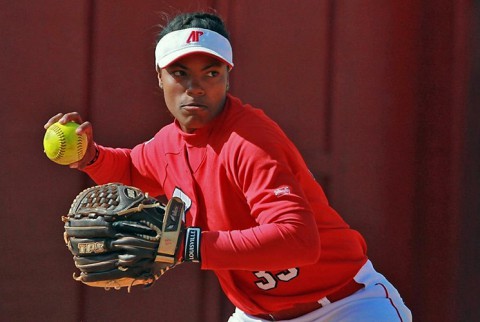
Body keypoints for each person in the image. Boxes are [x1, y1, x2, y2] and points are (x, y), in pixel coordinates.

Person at [45, 11, 412, 322]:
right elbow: (129, 168)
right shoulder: (168, 145)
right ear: (159, 77)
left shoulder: (250, 141)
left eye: (211, 73)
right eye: (180, 73)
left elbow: (298, 240)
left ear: (227, 75)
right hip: (257, 314)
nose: (196, 87)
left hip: (345, 305)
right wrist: (90, 157)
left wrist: (188, 245)